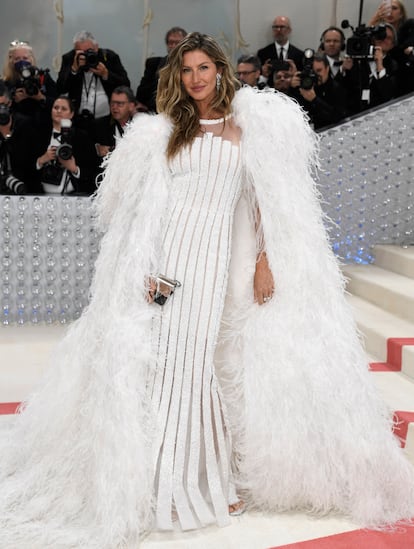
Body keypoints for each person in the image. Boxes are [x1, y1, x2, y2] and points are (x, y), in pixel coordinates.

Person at [1, 32, 414, 547]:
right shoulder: (167, 130)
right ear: (178, 77)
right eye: (187, 70)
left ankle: (208, 478)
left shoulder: (251, 125)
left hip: (219, 263)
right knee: (171, 366)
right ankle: (164, 477)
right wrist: (144, 267)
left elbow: (265, 198)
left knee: (203, 366)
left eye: (204, 68)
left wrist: (265, 259)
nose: (196, 78)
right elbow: (144, 211)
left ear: (219, 69)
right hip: (171, 262)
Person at [56, 30, 130, 132]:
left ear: (96, 48)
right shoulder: (69, 58)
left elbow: (126, 85)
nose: (85, 56)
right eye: (80, 52)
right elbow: (60, 88)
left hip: (105, 120)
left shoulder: (109, 57)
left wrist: (106, 74)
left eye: (89, 51)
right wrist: (74, 69)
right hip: (77, 120)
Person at [35, 95, 98, 195]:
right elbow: (25, 166)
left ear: (71, 114)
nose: (59, 111)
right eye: (56, 108)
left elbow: (92, 168)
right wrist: (41, 160)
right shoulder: (39, 134)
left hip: (73, 195)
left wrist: (74, 169)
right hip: (41, 195)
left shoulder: (81, 137)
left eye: (64, 109)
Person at [2, 40, 57, 128]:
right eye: (17, 59)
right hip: (17, 128)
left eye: (25, 58)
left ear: (31, 59)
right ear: (11, 61)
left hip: (42, 126)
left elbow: (57, 103)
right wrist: (14, 101)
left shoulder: (43, 77)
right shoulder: (6, 83)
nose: (22, 62)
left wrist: (40, 97)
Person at [0, 82, 41, 194]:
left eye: (3, 105)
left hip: (25, 188)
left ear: (10, 103)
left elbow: (32, 161)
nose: (1, 110)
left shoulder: (26, 124)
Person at [136, 26, 187, 112]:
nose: (174, 46)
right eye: (171, 42)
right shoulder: (154, 64)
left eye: (177, 42)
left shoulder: (191, 65)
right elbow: (141, 95)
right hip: (158, 112)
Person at [290, 53, 347, 129]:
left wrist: (315, 100)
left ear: (327, 69)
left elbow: (338, 118)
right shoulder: (304, 85)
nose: (316, 75)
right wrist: (291, 89)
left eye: (319, 70)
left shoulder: (337, 88)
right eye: (312, 72)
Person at [257, 15, 303, 87]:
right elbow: (258, 83)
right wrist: (264, 75)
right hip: (269, 93)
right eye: (275, 27)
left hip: (292, 93)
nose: (278, 30)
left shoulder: (299, 55)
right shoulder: (263, 53)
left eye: (282, 27)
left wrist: (295, 74)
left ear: (289, 30)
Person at [94, 85, 137, 161]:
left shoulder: (141, 126)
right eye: (112, 103)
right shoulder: (100, 126)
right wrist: (97, 150)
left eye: (120, 104)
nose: (114, 107)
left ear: (131, 106)